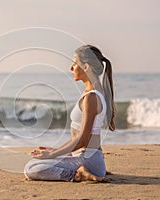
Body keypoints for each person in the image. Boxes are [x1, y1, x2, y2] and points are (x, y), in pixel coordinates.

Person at [24, 45, 116, 182]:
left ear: (86, 67)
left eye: (74, 63)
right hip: (86, 157)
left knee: (31, 168)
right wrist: (55, 151)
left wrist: (52, 155)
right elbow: (83, 140)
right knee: (38, 160)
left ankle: (78, 175)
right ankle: (88, 169)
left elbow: (83, 139)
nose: (71, 68)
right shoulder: (95, 92)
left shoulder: (91, 97)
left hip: (87, 158)